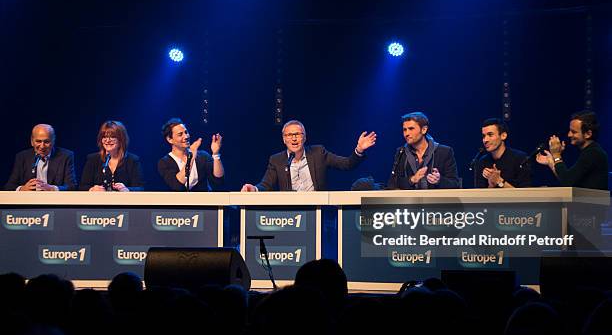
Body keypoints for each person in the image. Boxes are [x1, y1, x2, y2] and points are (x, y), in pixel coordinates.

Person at [241, 120, 376, 191]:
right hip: (289, 214)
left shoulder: (318, 153)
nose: (294, 138)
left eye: (298, 134)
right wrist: (254, 189)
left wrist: (359, 149)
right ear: (284, 139)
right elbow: (266, 184)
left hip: (316, 211)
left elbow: (347, 164)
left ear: (304, 138)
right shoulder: (277, 160)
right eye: (289, 135)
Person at [537, 110, 608, 190]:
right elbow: (567, 178)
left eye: (573, 132)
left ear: (588, 134)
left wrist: (556, 155)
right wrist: (552, 161)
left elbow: (567, 181)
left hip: (593, 201)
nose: (569, 135)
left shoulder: (593, 153)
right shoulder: (590, 151)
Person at [387, 112, 459, 189]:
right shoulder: (401, 152)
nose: (406, 133)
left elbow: (455, 184)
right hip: (410, 200)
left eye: (411, 129)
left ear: (424, 130)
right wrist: (412, 179)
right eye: (404, 130)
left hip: (436, 200)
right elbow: (392, 184)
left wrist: (439, 180)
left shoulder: (444, 152)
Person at [157, 118, 224, 191]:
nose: (186, 136)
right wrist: (191, 157)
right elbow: (177, 185)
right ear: (170, 139)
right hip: (179, 202)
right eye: (180, 134)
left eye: (186, 132)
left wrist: (216, 154)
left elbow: (218, 179)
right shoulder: (164, 162)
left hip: (203, 201)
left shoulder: (202, 156)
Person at [4, 124, 77, 191]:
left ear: (53, 141)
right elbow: (9, 186)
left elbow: (72, 186)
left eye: (46, 142)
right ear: (32, 141)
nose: (42, 146)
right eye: (38, 141)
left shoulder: (66, 156)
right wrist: (22, 189)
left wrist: (52, 189)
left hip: (54, 202)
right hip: (29, 202)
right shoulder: (22, 157)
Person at [79, 120, 144, 191]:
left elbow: (140, 188)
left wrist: (127, 189)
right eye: (104, 137)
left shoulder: (132, 160)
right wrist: (92, 189)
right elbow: (82, 186)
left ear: (121, 140)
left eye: (112, 137)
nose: (107, 140)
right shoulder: (93, 159)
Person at [474, 118, 531, 188]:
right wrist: (491, 184)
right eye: (484, 136)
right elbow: (480, 196)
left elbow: (525, 195)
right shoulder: (482, 162)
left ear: (503, 136)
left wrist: (499, 181)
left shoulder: (520, 158)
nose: (485, 140)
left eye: (490, 135)